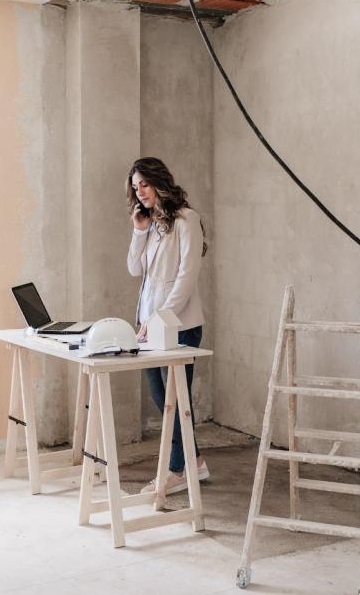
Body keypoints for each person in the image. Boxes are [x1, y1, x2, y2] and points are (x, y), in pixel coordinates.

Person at [126, 157, 209, 494]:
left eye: (144, 184)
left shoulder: (187, 220)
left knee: (177, 401)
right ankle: (195, 461)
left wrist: (160, 319)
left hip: (178, 326)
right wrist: (139, 230)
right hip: (147, 327)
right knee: (165, 402)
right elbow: (135, 269)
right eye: (135, 187)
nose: (140, 192)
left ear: (160, 181)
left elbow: (186, 277)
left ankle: (176, 470)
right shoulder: (153, 225)